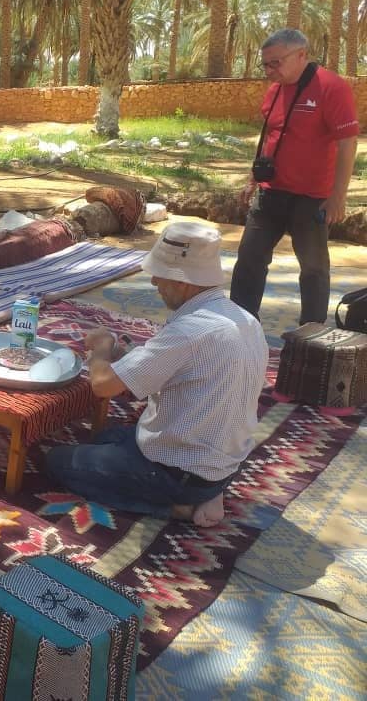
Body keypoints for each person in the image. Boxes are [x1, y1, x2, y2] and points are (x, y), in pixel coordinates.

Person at [45, 223, 268, 527]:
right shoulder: (245, 320)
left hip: (180, 473)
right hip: (221, 464)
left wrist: (101, 348)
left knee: (57, 461)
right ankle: (208, 490)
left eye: (160, 275)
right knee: (104, 438)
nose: (154, 282)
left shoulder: (189, 331)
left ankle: (178, 507)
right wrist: (126, 358)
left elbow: (102, 385)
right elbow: (178, 367)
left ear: (182, 282)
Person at [230, 29, 359, 325]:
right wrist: (252, 179)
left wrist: (338, 196)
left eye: (275, 63)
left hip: (312, 198)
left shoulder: (331, 86)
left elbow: (347, 143)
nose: (269, 71)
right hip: (271, 192)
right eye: (265, 64)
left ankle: (310, 334)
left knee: (313, 268)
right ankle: (239, 327)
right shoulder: (275, 90)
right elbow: (270, 137)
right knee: (249, 258)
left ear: (302, 55)